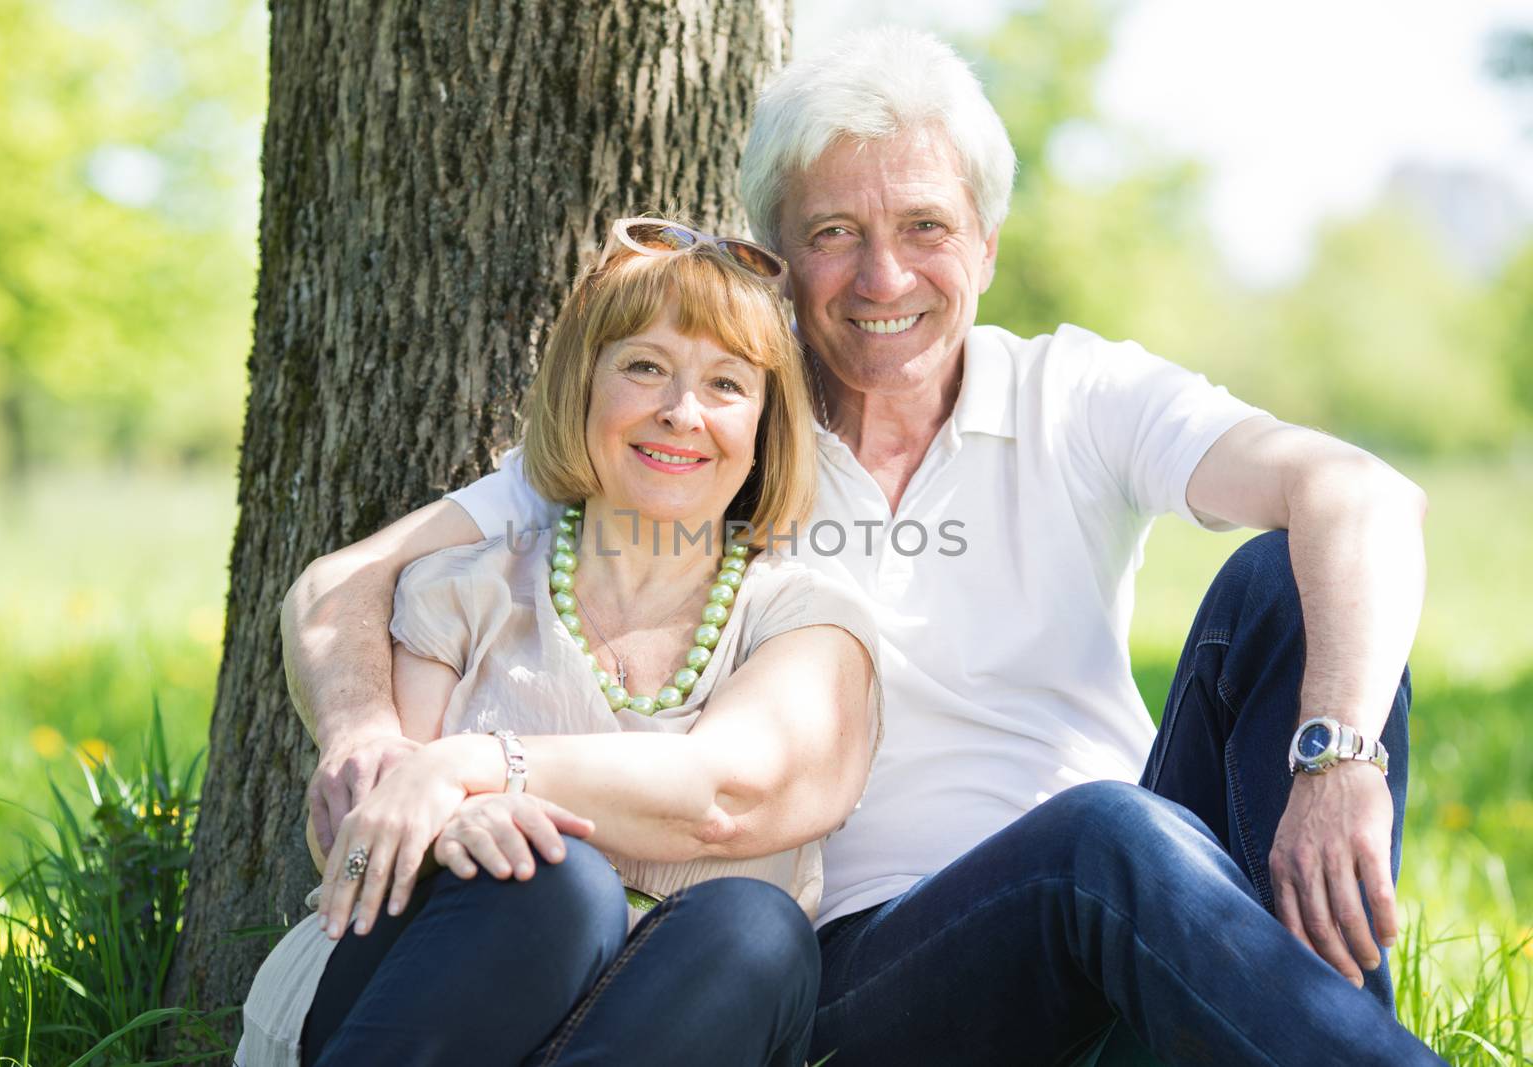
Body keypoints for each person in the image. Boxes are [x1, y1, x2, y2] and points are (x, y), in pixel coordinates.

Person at [283, 29, 1445, 1066]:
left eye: (925, 227)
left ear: (984, 244)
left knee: (1278, 585)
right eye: (835, 234)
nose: (884, 278)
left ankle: (1323, 1027)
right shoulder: (713, 437)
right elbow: (346, 582)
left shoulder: (1075, 392)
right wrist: (371, 740)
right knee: (1101, 836)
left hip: (1148, 906)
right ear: (777, 260)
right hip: (871, 970)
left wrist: (1337, 757)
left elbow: (1359, 492)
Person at [238, 219, 882, 1067]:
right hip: (425, 1000)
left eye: (726, 383)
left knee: (752, 926)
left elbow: (730, 790)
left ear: (765, 424)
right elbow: (364, 832)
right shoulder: (464, 589)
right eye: (644, 366)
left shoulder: (806, 619)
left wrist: (471, 767)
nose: (681, 412)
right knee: (550, 881)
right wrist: (444, 829)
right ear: (584, 385)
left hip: (674, 1027)